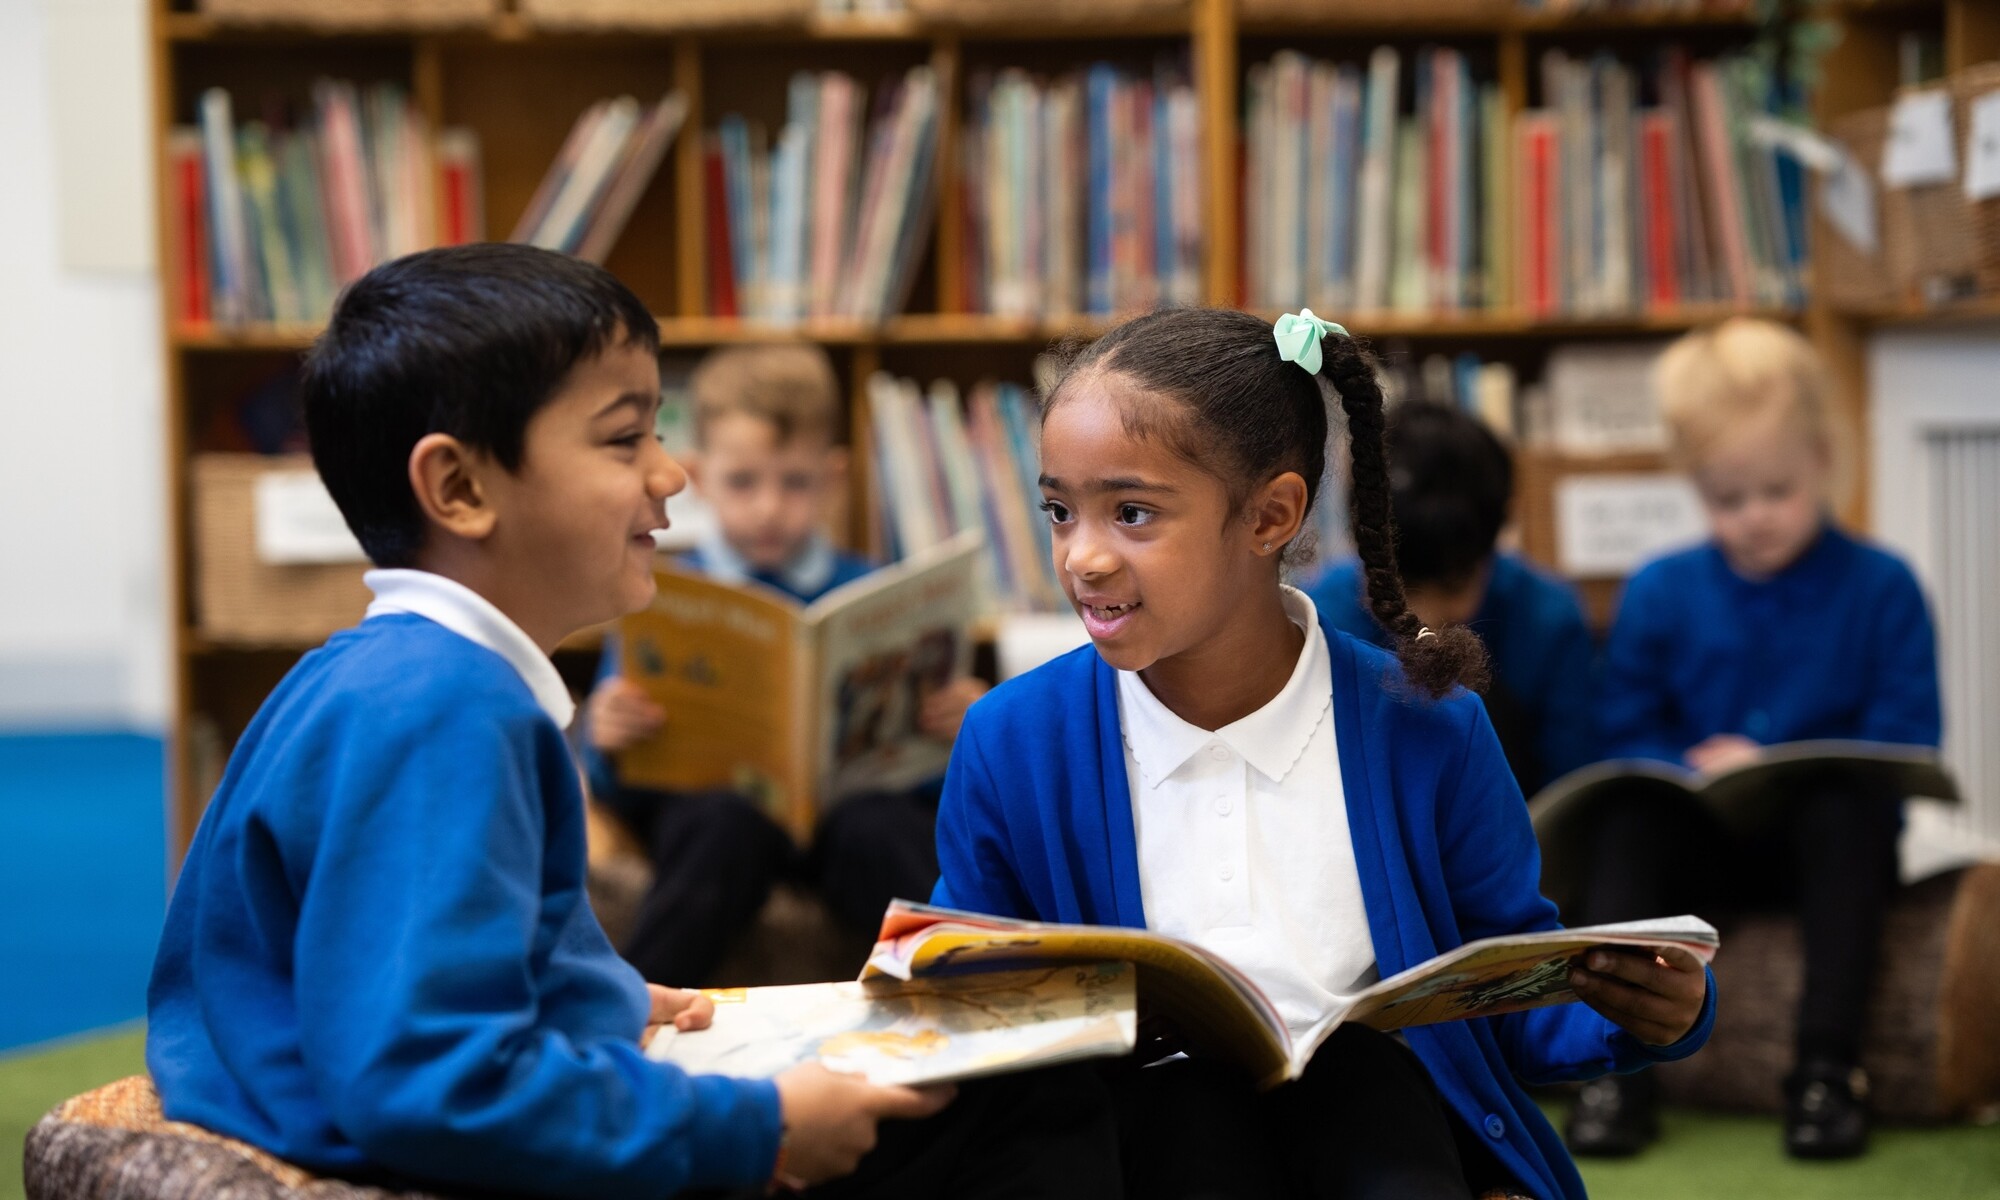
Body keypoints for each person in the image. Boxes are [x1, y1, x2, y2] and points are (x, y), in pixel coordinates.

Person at [146, 244, 1112, 1199]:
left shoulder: (385, 674)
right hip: (362, 1149)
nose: (671, 475)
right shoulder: (447, 714)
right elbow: (430, 1082)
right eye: (624, 439)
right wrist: (760, 1128)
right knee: (1015, 1124)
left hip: (319, 1106)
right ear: (461, 490)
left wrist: (584, 994)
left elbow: (390, 960)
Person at [929, 307, 1716, 1200]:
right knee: (1189, 1105)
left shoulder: (1432, 729)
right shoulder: (1009, 741)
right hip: (1143, 1142)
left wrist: (1642, 1014)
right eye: (1061, 511)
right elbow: (970, 998)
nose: (1083, 557)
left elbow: (1505, 990)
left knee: (1364, 1080)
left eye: (1133, 513)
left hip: (1379, 1127)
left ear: (1272, 515)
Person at [1564, 318, 1941, 1161]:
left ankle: (1825, 1073)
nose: (1755, 518)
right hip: (1703, 840)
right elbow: (1621, 729)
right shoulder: (1661, 590)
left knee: (1843, 818)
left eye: (1777, 491)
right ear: (1694, 488)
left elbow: (1908, 739)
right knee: (1628, 827)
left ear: (1825, 461)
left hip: (1826, 850)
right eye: (1727, 500)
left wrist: (1790, 767)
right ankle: (1613, 1077)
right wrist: (1683, 767)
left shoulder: (1882, 587)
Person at [579, 344, 985, 984]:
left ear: (832, 477)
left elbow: (936, 791)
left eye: (795, 482)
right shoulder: (666, 598)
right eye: (743, 481)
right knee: (722, 825)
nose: (769, 506)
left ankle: (973, 985)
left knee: (877, 829)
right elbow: (611, 783)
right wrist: (606, 738)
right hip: (715, 817)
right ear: (699, 477)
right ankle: (638, 1005)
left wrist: (960, 730)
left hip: (848, 817)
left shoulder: (872, 591)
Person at [1306, 400, 1598, 796]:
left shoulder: (1548, 619)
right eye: (1400, 594)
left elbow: (1570, 789)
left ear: (1500, 536)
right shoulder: (1315, 621)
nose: (1422, 624)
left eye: (1451, 588)